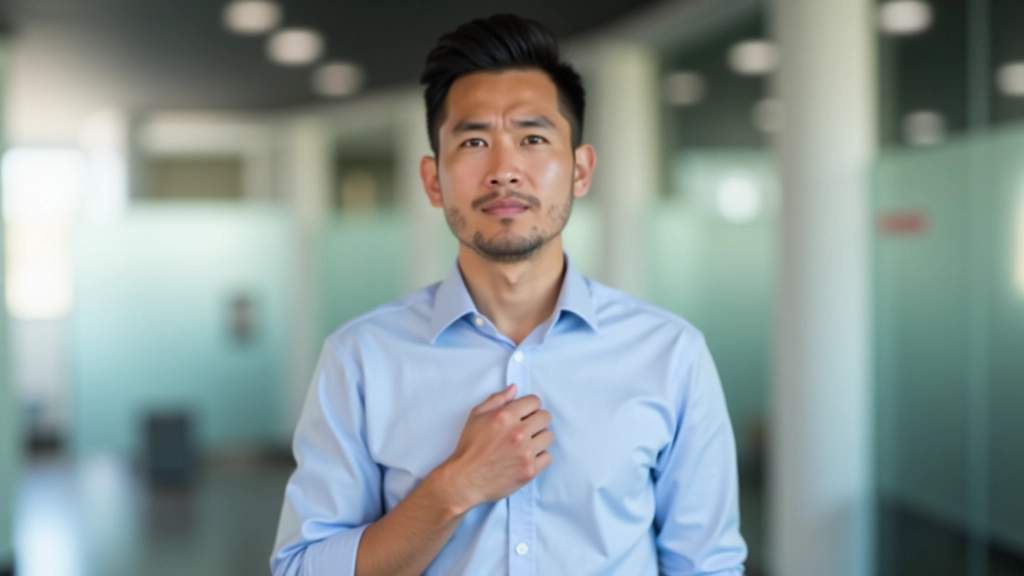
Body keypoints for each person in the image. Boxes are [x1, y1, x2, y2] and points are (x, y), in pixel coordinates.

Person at [270, 13, 747, 576]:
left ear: (581, 170)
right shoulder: (361, 359)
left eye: (533, 138)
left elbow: (707, 566)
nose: (504, 170)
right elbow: (303, 568)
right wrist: (455, 486)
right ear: (432, 179)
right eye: (474, 140)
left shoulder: (670, 355)